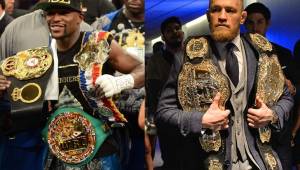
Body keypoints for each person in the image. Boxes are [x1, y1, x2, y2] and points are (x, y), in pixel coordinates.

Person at [0, 0, 144, 169]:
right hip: (56, 153)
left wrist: (121, 81)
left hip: (100, 152)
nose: (55, 18)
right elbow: (16, 95)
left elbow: (141, 68)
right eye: (51, 13)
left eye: (63, 13)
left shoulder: (97, 43)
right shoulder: (38, 57)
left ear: (80, 18)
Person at [155, 0, 294, 169]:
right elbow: (163, 112)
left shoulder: (263, 51)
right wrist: (200, 120)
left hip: (259, 160)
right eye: (216, 10)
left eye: (230, 10)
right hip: (209, 162)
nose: (222, 16)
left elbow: (286, 97)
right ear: (208, 16)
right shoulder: (186, 57)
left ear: (242, 17)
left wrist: (272, 115)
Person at [92, 1, 145, 169]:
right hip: (112, 107)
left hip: (147, 105)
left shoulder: (157, 20)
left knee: (144, 157)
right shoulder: (104, 23)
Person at [244, 3, 297, 170]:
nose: (255, 27)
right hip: (250, 130)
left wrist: (290, 85)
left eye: (260, 22)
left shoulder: (283, 54)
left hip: (279, 133)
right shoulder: (238, 55)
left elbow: (297, 89)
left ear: (267, 24)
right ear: (245, 24)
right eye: (251, 23)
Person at [146, 16, 184, 169]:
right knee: (172, 158)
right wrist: (156, 119)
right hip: (167, 118)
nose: (174, 32)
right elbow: (153, 91)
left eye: (177, 28)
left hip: (191, 116)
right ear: (163, 37)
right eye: (169, 31)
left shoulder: (192, 56)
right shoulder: (156, 61)